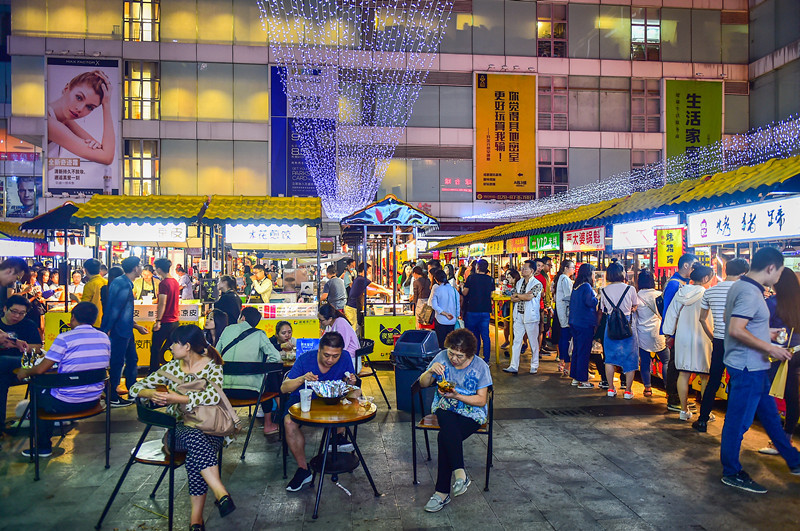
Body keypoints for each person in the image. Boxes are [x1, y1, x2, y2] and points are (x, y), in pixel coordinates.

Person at [129, 325, 237, 528]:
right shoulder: (171, 368)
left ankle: (196, 521)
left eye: (174, 343)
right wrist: (151, 394)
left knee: (196, 457)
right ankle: (220, 493)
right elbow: (134, 388)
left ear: (187, 346)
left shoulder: (213, 365)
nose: (170, 347)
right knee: (192, 436)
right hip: (178, 433)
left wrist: (176, 398)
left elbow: (213, 396)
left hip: (209, 428)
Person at [719, 247, 800, 493]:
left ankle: (795, 461)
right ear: (771, 268)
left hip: (754, 366)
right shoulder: (750, 292)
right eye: (780, 271)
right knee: (738, 422)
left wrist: (768, 333)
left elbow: (738, 323)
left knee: (772, 420)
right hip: (747, 367)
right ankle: (731, 471)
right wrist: (770, 347)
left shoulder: (740, 287)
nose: (779, 278)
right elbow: (735, 329)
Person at [16, 302, 110, 457]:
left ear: (73, 317)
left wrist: (25, 372)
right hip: (94, 400)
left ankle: (43, 447)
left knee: (37, 391)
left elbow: (40, 369)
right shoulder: (104, 337)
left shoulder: (65, 338)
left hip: (65, 403)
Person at [418, 328, 492, 512]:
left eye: (459, 356)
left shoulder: (480, 366)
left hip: (472, 410)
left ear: (470, 354)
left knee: (445, 437)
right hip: (445, 406)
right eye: (451, 353)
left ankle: (441, 493)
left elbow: (482, 400)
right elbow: (422, 383)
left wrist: (457, 396)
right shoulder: (442, 357)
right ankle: (459, 475)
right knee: (445, 416)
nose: (453, 359)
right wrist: (429, 371)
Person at [282, 332, 357, 492]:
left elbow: (350, 389)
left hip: (331, 399)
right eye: (326, 355)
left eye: (335, 356)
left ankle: (336, 438)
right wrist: (302, 379)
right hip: (304, 398)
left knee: (352, 400)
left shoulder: (344, 358)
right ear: (319, 350)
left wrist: (350, 382)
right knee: (289, 422)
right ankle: (303, 470)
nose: (330, 360)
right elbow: (284, 388)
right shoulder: (305, 359)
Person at [693, 258, 750, 433]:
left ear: (725, 271)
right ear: (743, 274)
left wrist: (712, 336)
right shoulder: (746, 292)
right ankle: (731, 424)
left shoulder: (710, 292)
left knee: (714, 380)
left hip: (718, 340)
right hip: (738, 341)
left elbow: (702, 319)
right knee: (735, 381)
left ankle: (702, 421)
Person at [663, 265, 715, 421]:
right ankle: (705, 413)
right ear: (705, 278)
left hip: (683, 336)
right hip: (703, 337)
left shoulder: (681, 292)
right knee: (705, 375)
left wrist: (668, 333)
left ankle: (683, 411)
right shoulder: (707, 294)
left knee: (684, 373)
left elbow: (671, 314)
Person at [219, 306, 281, 435]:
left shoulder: (227, 330)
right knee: (268, 379)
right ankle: (268, 425)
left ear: (242, 317)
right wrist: (261, 368)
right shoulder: (259, 334)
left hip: (223, 392)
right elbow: (276, 357)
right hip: (251, 392)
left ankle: (227, 421)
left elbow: (215, 355)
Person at [759, 267, 800, 455]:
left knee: (767, 396)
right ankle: (787, 436)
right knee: (792, 397)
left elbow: (761, 328)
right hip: (798, 352)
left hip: (780, 354)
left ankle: (779, 443)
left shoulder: (771, 303)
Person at [101, 256, 148, 407]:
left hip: (125, 329)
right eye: (140, 265)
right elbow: (115, 310)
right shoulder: (123, 285)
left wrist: (136, 326)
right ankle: (113, 396)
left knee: (132, 360)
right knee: (117, 362)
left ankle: (133, 391)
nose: (141, 268)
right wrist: (106, 328)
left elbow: (120, 310)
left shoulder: (122, 282)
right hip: (120, 331)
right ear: (135, 268)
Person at [47, 70, 115, 166]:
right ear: (67, 88)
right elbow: (106, 157)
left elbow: (104, 152)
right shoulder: (48, 122)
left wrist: (106, 104)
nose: (79, 109)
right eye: (79, 98)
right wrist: (106, 105)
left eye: (89, 107)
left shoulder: (64, 121)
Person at [0, 295, 43, 434]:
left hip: (21, 366)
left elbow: (38, 347)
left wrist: (26, 347)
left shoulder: (28, 324)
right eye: (14, 311)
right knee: (1, 380)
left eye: (21, 313)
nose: (17, 316)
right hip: (5, 371)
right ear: (5, 309)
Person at [661, 253, 698, 411]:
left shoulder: (683, 283)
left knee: (679, 364)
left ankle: (680, 397)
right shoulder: (674, 284)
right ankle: (673, 397)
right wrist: (670, 333)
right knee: (675, 364)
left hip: (681, 330)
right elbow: (668, 310)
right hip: (676, 331)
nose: (695, 269)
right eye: (694, 265)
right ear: (686, 266)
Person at [599, 262, 639, 399]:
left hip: (611, 325)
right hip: (627, 325)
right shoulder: (630, 289)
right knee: (630, 357)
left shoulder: (603, 290)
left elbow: (603, 309)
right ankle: (628, 391)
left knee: (609, 358)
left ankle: (611, 389)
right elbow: (635, 305)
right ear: (622, 273)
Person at [504, 260, 543, 375]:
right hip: (519, 315)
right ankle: (513, 365)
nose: (522, 270)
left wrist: (519, 296)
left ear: (532, 270)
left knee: (533, 342)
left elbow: (529, 297)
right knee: (516, 341)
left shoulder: (537, 283)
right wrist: (521, 296)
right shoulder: (519, 282)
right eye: (522, 268)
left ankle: (534, 365)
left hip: (530, 316)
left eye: (525, 268)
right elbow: (513, 298)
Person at [635, 270, 669, 398]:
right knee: (666, 360)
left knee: (644, 361)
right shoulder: (659, 295)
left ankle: (648, 388)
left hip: (642, 332)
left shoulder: (637, 296)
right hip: (658, 331)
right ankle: (667, 388)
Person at [569, 264, 599, 389]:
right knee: (583, 352)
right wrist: (597, 297)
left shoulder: (576, 286)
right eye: (593, 273)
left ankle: (575, 377)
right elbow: (590, 302)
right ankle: (583, 380)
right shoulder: (586, 286)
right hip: (584, 324)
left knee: (577, 350)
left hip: (575, 322)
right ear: (589, 273)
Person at [461, 259, 494, 363]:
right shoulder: (490, 279)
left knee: (472, 335)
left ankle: (473, 357)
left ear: (477, 267)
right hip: (485, 311)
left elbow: (465, 293)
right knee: (485, 336)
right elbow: (491, 295)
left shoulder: (471, 278)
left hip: (472, 310)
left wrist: (462, 286)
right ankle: (486, 359)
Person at [150, 258, 180, 373]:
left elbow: (162, 302)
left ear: (158, 268)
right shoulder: (174, 282)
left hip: (165, 321)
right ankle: (170, 371)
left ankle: (154, 372)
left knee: (155, 349)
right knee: (171, 348)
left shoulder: (164, 283)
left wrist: (158, 321)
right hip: (174, 321)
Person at [318, 304, 360, 369]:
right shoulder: (329, 326)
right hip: (338, 357)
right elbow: (322, 341)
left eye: (321, 320)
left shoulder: (341, 323)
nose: (320, 322)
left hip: (350, 361)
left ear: (330, 319)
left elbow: (343, 346)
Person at [430, 269, 461, 348]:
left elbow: (434, 305)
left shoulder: (437, 290)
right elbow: (458, 304)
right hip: (452, 320)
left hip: (440, 320)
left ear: (436, 279)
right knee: (451, 344)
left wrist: (444, 313)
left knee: (441, 343)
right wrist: (456, 315)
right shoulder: (454, 290)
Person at [554, 260, 575, 376]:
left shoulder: (561, 278)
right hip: (566, 312)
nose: (573, 269)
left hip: (561, 311)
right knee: (566, 338)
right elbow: (569, 296)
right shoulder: (565, 279)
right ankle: (567, 363)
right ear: (566, 268)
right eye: (572, 267)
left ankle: (562, 361)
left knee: (563, 337)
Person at [536, 257, 555, 353]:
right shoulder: (541, 277)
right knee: (540, 329)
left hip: (543, 306)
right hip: (541, 306)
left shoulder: (545, 277)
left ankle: (541, 347)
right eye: (549, 265)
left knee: (543, 328)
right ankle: (539, 349)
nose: (550, 267)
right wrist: (547, 306)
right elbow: (544, 293)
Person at [81, 258, 107, 328]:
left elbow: (84, 305)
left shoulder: (89, 285)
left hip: (95, 321)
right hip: (107, 320)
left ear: (85, 270)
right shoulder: (106, 282)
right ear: (99, 270)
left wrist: (76, 298)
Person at [500, 269, 520, 351]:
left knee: (515, 326)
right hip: (507, 306)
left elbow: (513, 294)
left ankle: (515, 343)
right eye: (507, 277)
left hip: (515, 307)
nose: (508, 279)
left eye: (510, 277)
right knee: (506, 325)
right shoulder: (507, 285)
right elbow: (503, 292)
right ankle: (507, 341)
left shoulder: (518, 285)